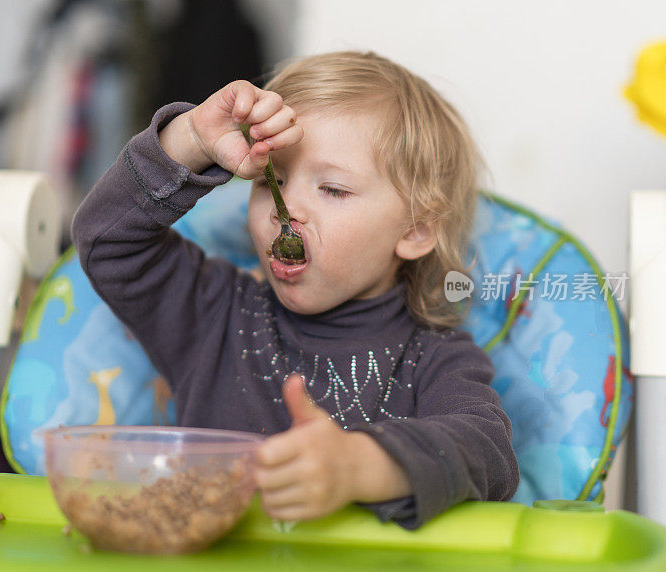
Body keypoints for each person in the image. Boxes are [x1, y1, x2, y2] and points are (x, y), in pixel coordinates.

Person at [71, 51, 519, 529]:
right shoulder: (214, 316)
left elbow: (488, 454)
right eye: (275, 180)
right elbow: (107, 238)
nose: (289, 209)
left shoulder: (434, 359)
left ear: (415, 231)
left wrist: (357, 467)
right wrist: (192, 139)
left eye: (334, 189)